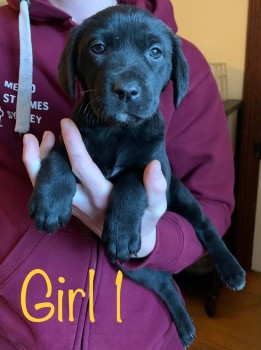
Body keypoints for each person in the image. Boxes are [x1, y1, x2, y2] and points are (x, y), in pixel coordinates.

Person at [0, 0, 235, 349]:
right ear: (75, 67)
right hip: (14, 323)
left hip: (141, 332)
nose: (125, 84)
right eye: (98, 48)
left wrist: (154, 241)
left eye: (154, 52)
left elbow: (211, 203)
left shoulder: (189, 63)